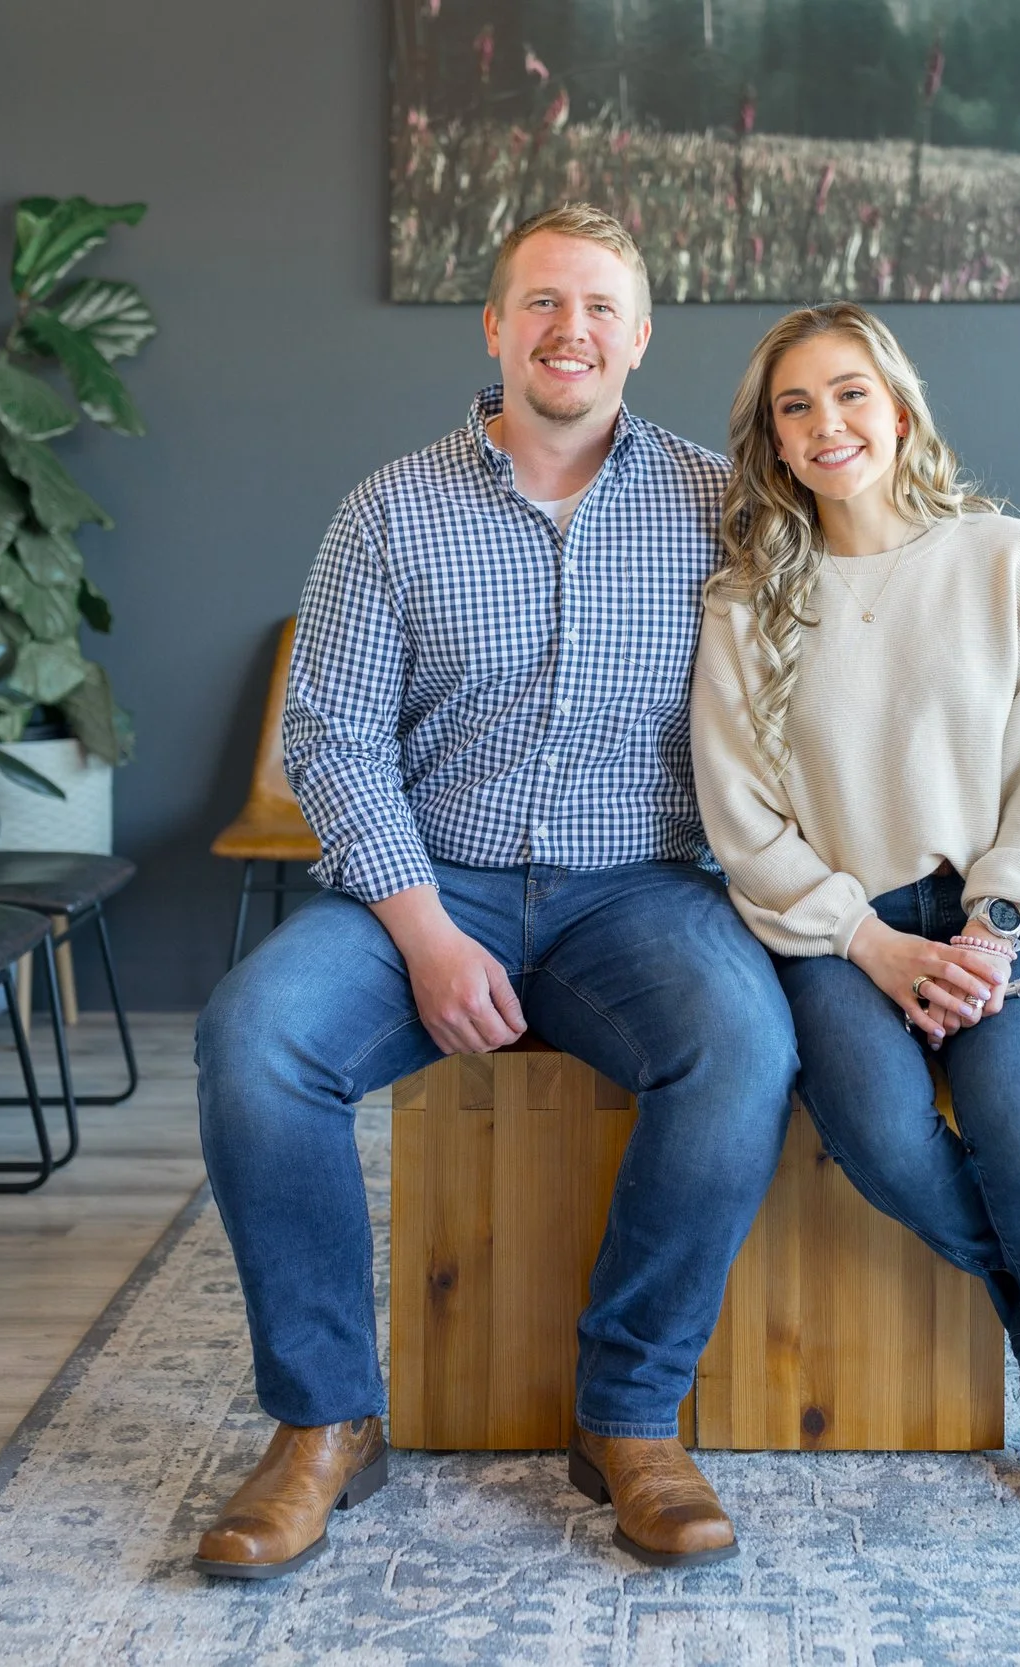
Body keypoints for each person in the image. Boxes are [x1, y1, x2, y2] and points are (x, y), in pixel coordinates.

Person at [191, 204, 796, 1578]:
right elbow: (329, 736)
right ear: (494, 328)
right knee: (254, 1034)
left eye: (597, 307)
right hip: (428, 874)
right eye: (540, 303)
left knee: (743, 1040)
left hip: (637, 892)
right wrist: (421, 929)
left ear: (640, 337)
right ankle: (326, 1421)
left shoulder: (720, 505)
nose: (568, 329)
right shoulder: (389, 507)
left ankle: (630, 1416)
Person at [690, 302, 1020, 1512]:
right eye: (796, 405)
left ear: (902, 405)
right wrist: (871, 943)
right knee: (877, 1138)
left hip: (1001, 908)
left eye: (851, 391)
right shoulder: (743, 602)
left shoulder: (1002, 558)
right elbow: (742, 820)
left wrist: (990, 932)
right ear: (771, 443)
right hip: (837, 925)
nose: (829, 423)